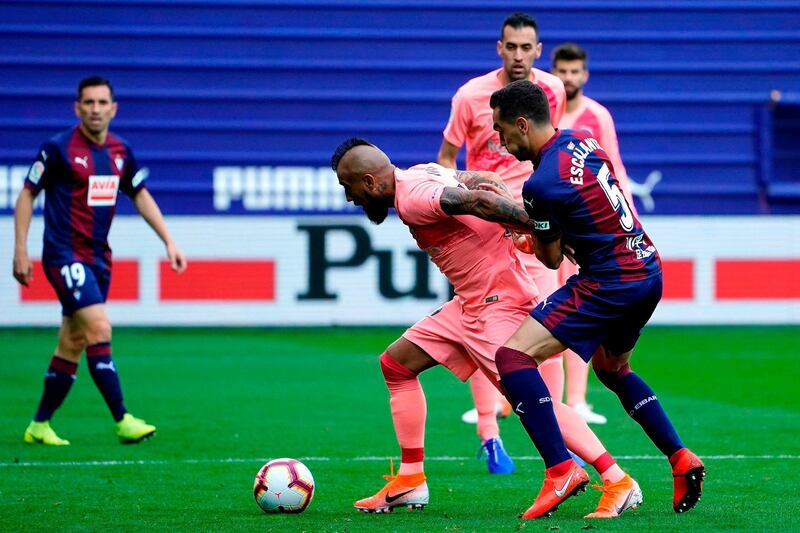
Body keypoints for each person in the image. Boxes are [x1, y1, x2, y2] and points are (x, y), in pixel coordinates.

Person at [331, 137, 641, 519]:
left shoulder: (413, 197)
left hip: (495, 305)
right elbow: (479, 180)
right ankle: (411, 479)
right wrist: (500, 212)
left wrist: (543, 226)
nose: (351, 199)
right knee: (396, 365)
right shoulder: (422, 173)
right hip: (468, 305)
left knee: (534, 401)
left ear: (369, 181)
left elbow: (480, 201)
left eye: (350, 188)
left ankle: (617, 480)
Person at [487, 79, 704, 518]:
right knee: (613, 368)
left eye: (501, 130)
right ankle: (681, 458)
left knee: (512, 358)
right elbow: (590, 208)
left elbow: (549, 260)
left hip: (611, 280)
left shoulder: (540, 185)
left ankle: (560, 470)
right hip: (647, 268)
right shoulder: (581, 142)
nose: (500, 139)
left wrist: (532, 238)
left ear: (523, 125)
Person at [437, 13, 599, 461]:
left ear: (538, 50)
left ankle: (559, 434)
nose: (519, 55)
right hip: (484, 230)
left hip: (533, 223)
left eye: (527, 47)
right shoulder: (470, 96)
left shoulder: (552, 90)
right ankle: (490, 435)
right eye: (511, 46)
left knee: (549, 328)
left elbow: (554, 152)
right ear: (499, 48)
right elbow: (448, 157)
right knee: (479, 327)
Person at [13, 76, 187, 445]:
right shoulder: (58, 149)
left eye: (101, 102)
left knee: (72, 342)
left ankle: (39, 425)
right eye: (88, 103)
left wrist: (169, 240)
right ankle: (123, 418)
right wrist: (21, 250)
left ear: (113, 108)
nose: (95, 109)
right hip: (63, 254)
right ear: (77, 108)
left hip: (98, 259)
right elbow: (27, 195)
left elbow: (139, 195)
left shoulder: (121, 151)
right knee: (100, 329)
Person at [548, 42, 641, 425]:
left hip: (584, 231)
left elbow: (614, 166)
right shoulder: (543, 110)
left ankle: (577, 399)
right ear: (552, 72)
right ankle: (511, 396)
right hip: (547, 222)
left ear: (585, 75)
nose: (568, 78)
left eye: (575, 71)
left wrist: (630, 218)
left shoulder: (597, 115)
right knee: (533, 305)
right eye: (562, 71)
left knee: (577, 308)